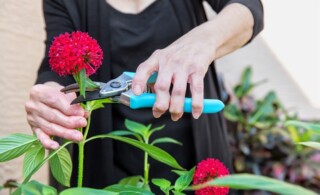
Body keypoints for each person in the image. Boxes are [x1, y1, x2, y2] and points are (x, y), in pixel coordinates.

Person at [25, 0, 263, 192]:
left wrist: (202, 41)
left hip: (191, 162)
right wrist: (49, 94)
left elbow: (248, 8)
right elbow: (55, 63)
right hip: (103, 173)